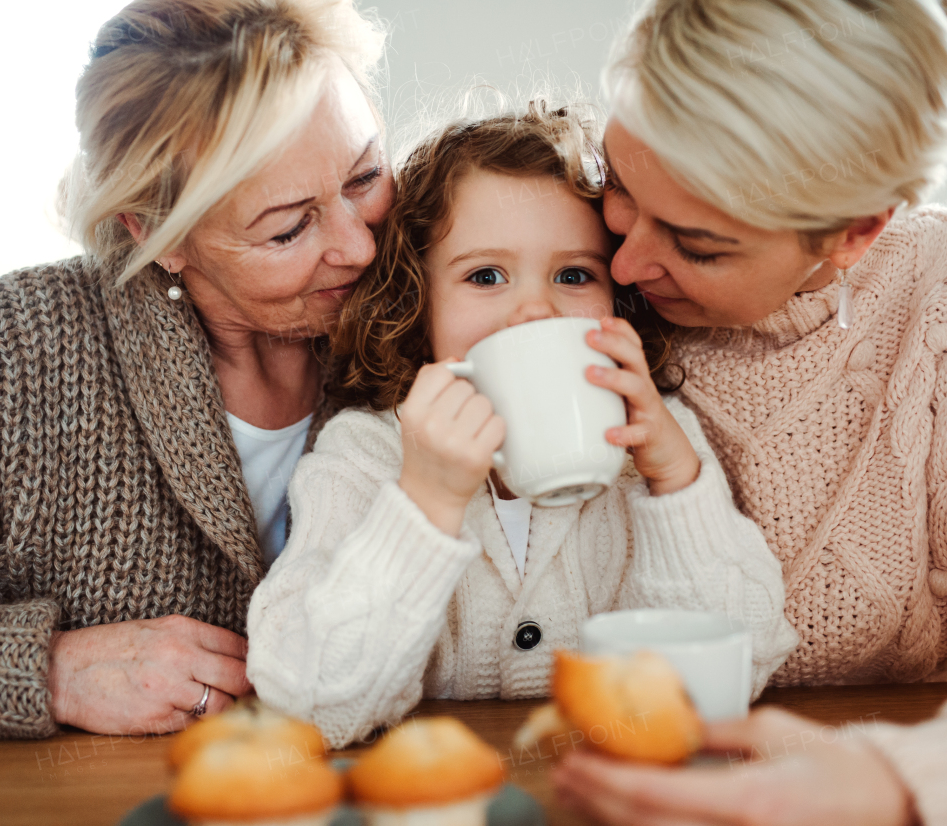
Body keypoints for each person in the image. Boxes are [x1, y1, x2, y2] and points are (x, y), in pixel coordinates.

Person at [551, 1, 947, 825]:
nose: (626, 257)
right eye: (618, 183)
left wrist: (895, 781)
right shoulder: (564, 266)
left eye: (699, 245)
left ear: (857, 232)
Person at [0, 0, 393, 741]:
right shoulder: (7, 361)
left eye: (364, 177)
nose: (360, 247)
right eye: (289, 227)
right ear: (155, 231)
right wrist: (47, 671)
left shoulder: (433, 294)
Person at [245, 104, 801, 748]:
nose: (535, 309)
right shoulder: (367, 453)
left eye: (573, 275)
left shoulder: (655, 444)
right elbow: (306, 703)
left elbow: (744, 664)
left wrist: (677, 484)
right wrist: (426, 503)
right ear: (418, 303)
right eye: (486, 275)